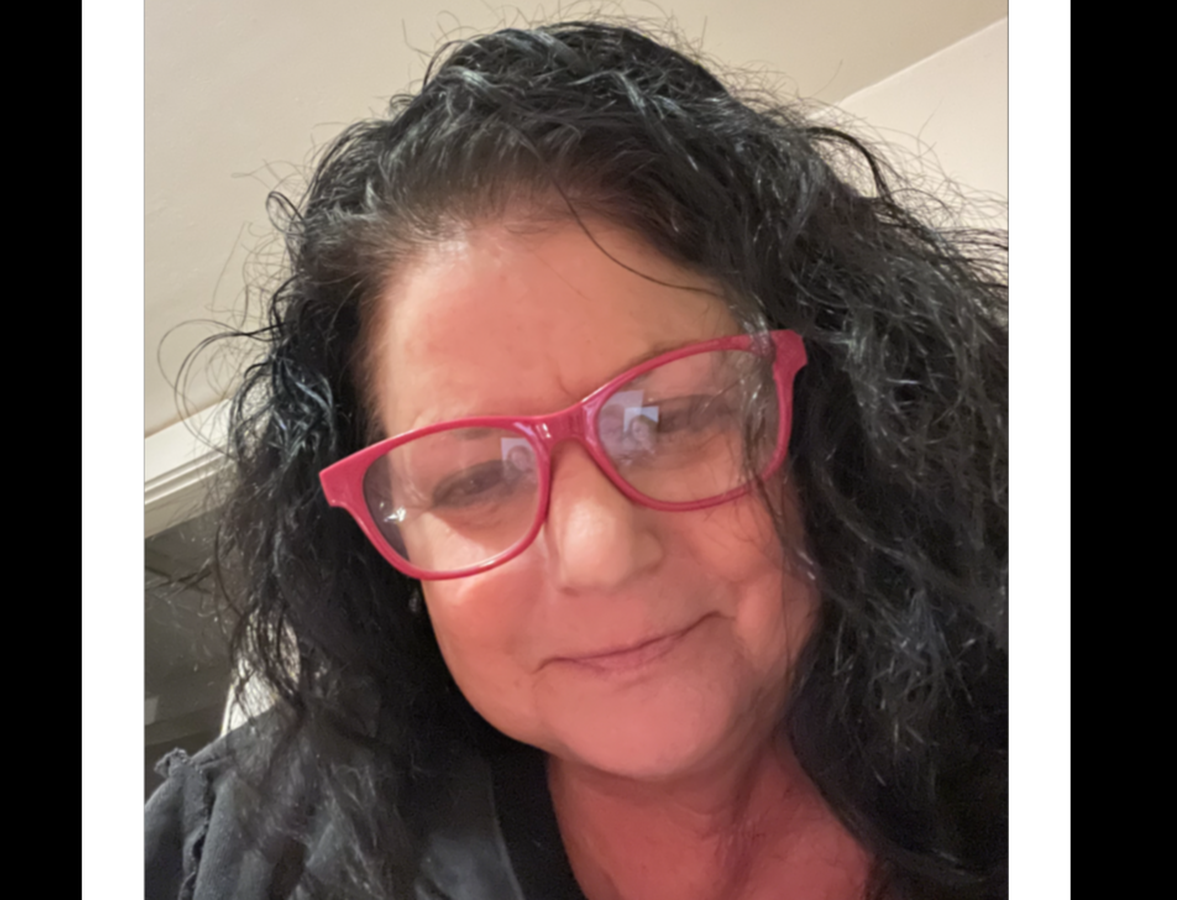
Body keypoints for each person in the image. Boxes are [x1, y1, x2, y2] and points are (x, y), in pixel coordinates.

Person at [145, 21, 1007, 900]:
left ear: (833, 417)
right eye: (474, 480)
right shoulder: (224, 850)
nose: (601, 554)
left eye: (671, 420)